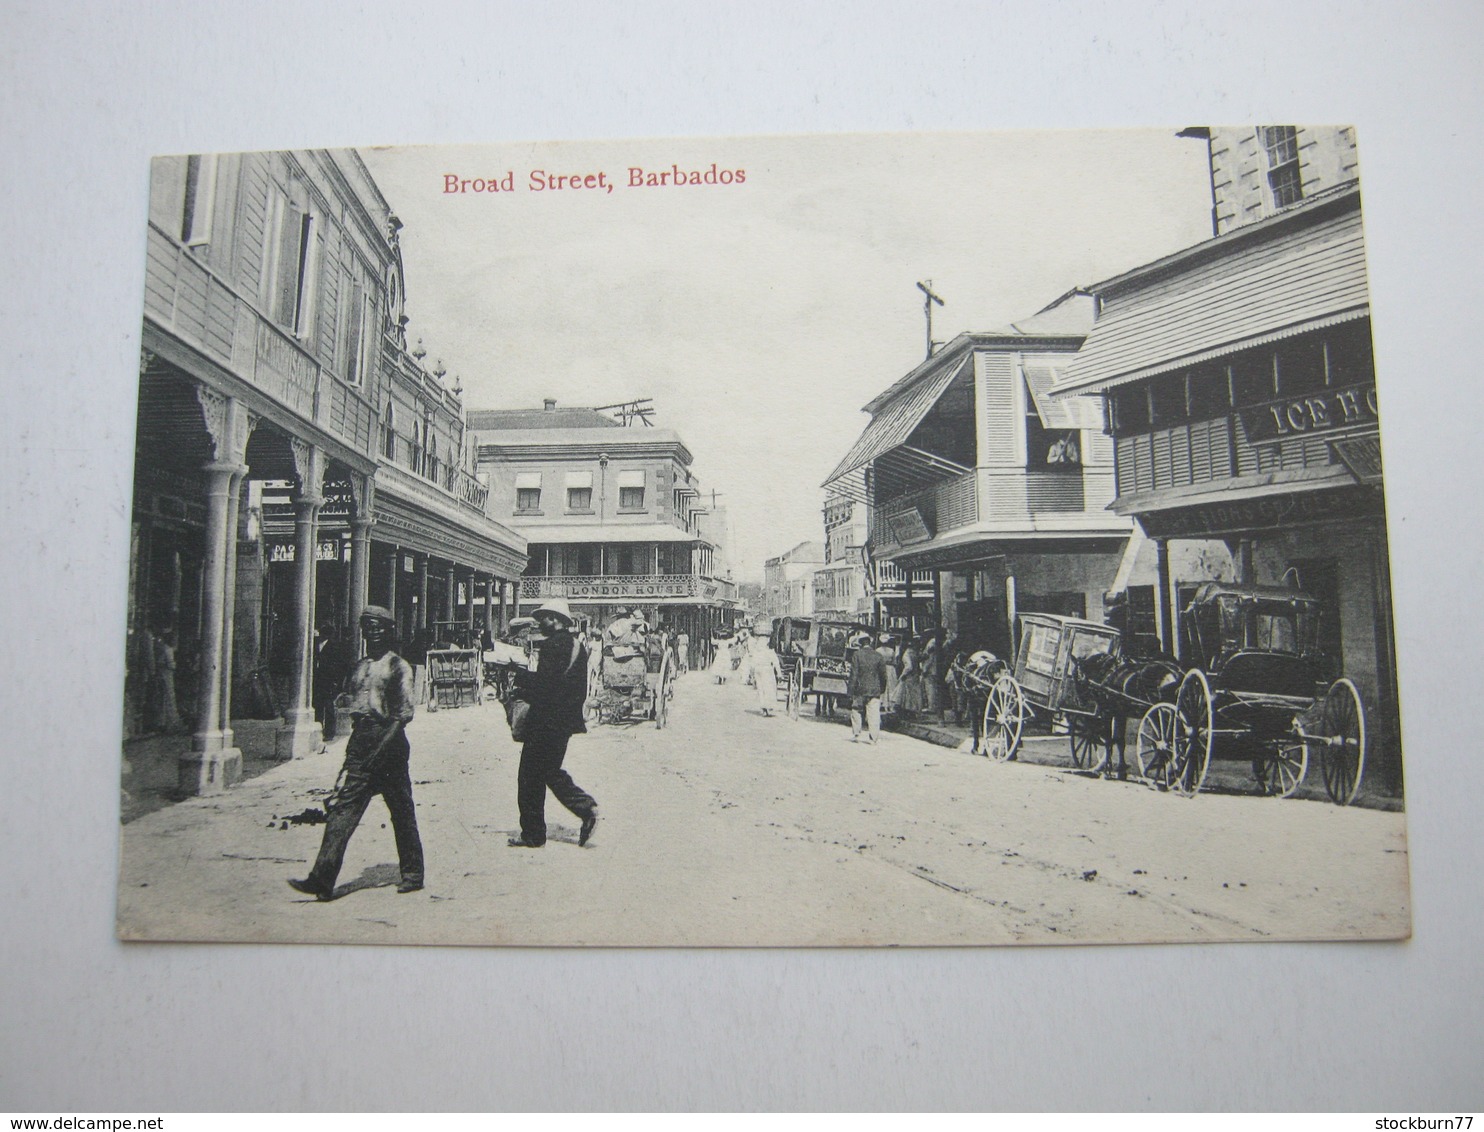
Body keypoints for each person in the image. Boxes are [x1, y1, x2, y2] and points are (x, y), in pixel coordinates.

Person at [289, 606, 422, 901]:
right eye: (367, 627)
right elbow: (355, 707)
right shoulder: (360, 666)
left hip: (389, 744)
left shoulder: (399, 666)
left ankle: (413, 874)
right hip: (362, 743)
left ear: (389, 630)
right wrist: (354, 752)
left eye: (378, 627)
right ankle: (321, 879)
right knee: (342, 811)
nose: (372, 632)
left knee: (401, 811)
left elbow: (401, 717)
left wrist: (380, 751)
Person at [508, 599, 598, 849]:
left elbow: (545, 686)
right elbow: (570, 686)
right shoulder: (578, 647)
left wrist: (521, 678)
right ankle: (584, 807)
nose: (540, 622)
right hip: (565, 722)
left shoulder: (550, 646)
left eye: (544, 617)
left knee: (528, 777)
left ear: (557, 620)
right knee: (550, 771)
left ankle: (534, 833)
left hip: (545, 722)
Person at [847, 631, 888, 743]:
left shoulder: (857, 655)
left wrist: (850, 691)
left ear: (860, 643)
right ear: (870, 643)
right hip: (874, 690)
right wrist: (882, 688)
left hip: (860, 689)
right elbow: (883, 675)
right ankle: (873, 738)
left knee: (856, 710)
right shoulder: (878, 656)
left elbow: (854, 674)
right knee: (874, 713)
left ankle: (856, 734)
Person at [750, 635, 782, 716]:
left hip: (758, 670)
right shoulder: (770, 652)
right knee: (768, 688)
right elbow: (776, 663)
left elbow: (752, 665)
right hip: (767, 670)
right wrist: (779, 673)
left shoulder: (756, 652)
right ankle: (767, 707)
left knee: (761, 689)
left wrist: (752, 676)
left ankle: (763, 708)